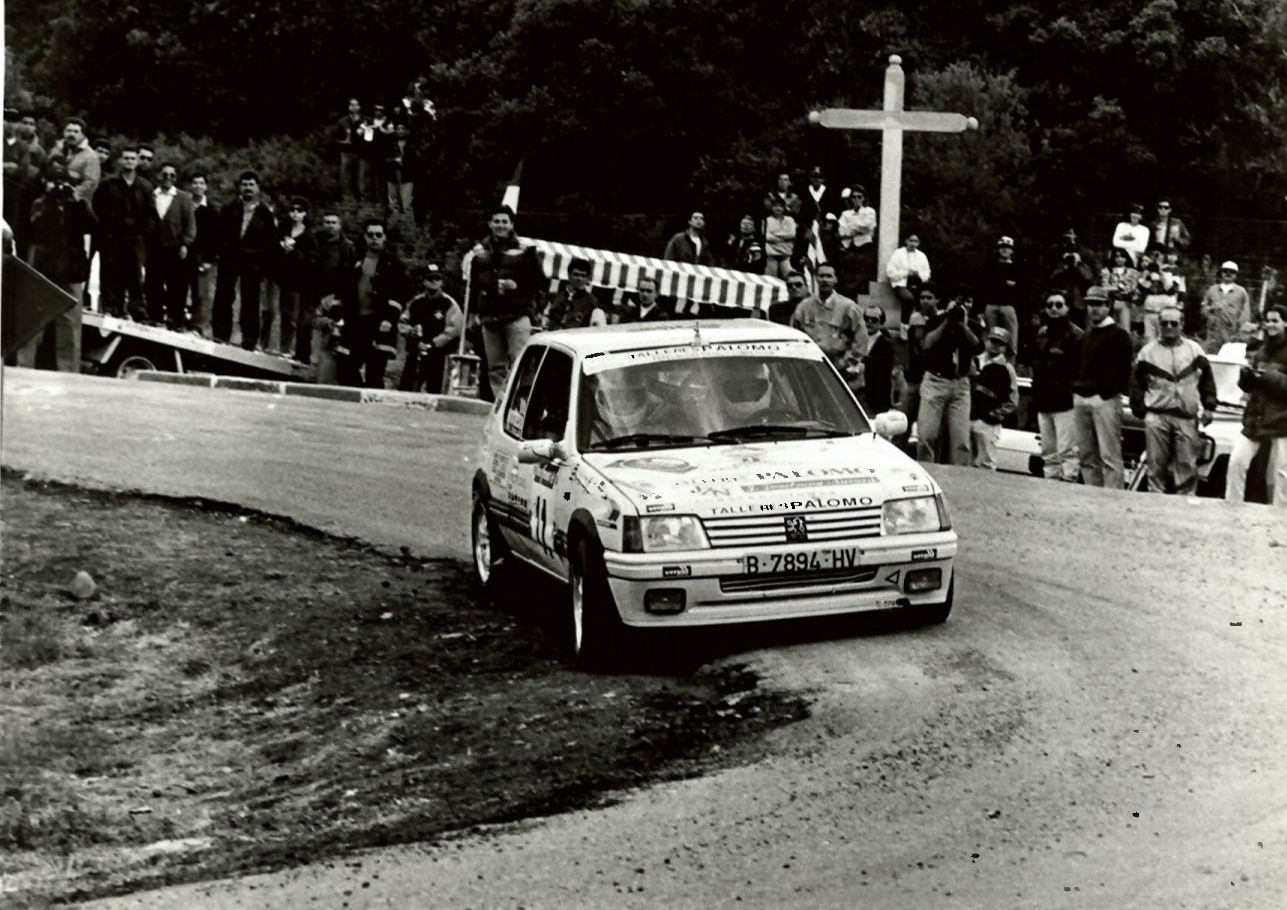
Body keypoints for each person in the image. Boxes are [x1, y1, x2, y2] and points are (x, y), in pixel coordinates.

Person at [1129, 306, 1217, 494]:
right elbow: (1135, 383)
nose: (1169, 327)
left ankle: (1183, 506)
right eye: (1164, 323)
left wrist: (1209, 406)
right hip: (1157, 415)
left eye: (1174, 323)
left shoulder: (1195, 351)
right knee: (1155, 465)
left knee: (1186, 465)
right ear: (1159, 325)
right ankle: (1155, 503)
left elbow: (1207, 380)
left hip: (1186, 417)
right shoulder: (1147, 352)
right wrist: (1140, 409)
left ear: (1182, 325)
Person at [17, 162, 90, 372]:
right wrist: (50, 200)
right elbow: (33, 228)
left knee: (70, 324)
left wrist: (77, 202)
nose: (59, 187)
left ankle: (69, 370)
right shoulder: (39, 203)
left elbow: (92, 225)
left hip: (70, 269)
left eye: (63, 182)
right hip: (43, 266)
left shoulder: (75, 205)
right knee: (33, 319)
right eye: (54, 182)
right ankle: (24, 366)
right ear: (45, 182)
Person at [467, 205, 547, 394]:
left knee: (521, 364)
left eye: (504, 221)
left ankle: (521, 407)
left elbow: (541, 282)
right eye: (496, 221)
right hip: (490, 318)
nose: (500, 225)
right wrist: (473, 313)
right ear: (490, 224)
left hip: (517, 316)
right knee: (495, 368)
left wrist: (518, 285)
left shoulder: (525, 250)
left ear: (511, 225)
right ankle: (500, 407)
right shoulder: (479, 253)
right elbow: (474, 286)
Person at [1071, 286, 1135, 488]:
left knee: (1109, 456)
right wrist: (1077, 391)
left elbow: (1122, 372)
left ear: (1108, 306)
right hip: (1081, 399)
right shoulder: (1085, 336)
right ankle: (1092, 497)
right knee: (1086, 456)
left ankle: (1112, 501)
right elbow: (1074, 367)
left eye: (1099, 304)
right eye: (1090, 304)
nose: (1094, 309)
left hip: (1105, 400)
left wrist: (1103, 394)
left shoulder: (1120, 335)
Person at [335, 218, 408, 388]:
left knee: (374, 371)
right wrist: (337, 316)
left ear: (384, 238)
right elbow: (343, 289)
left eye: (378, 235)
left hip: (380, 323)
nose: (374, 238)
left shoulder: (394, 265)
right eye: (370, 235)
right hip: (355, 321)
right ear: (365, 237)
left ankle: (372, 410)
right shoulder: (352, 260)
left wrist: (389, 319)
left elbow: (399, 295)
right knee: (346, 368)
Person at [1226, 305, 1287, 504]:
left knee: (1282, 473)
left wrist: (1271, 377)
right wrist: (1246, 377)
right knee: (1236, 462)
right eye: (1267, 320)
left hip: (1282, 420)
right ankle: (1231, 506)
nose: (1270, 324)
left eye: (1275, 320)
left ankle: (1281, 516)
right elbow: (1249, 388)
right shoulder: (1260, 350)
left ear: (1285, 323)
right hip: (1256, 417)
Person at [212, 170, 278, 349]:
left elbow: (270, 243)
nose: (247, 188)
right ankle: (220, 333)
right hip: (229, 258)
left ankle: (249, 339)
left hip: (253, 263)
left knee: (250, 300)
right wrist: (220, 252)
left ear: (258, 188)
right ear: (240, 187)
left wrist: (262, 266)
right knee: (224, 295)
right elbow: (218, 233)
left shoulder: (265, 214)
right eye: (244, 185)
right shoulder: (229, 208)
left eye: (251, 185)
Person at [915, 287, 982, 465]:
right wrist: (947, 321)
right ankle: (927, 469)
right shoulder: (936, 320)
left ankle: (960, 477)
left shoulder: (972, 325)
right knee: (927, 436)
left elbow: (978, 347)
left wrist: (963, 325)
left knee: (961, 440)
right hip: (935, 381)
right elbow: (927, 344)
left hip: (960, 384)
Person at [92, 146, 154, 320]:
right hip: (112, 236)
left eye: (132, 158)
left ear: (137, 161)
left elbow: (150, 213)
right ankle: (112, 307)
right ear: (121, 160)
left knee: (134, 274)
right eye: (126, 158)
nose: (129, 161)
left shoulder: (145, 186)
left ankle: (137, 311)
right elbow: (98, 207)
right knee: (110, 272)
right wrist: (104, 230)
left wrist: (143, 233)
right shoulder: (108, 183)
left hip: (134, 237)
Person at [1031, 291, 1084, 482]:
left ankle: (1069, 483)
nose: (1054, 308)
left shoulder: (1077, 336)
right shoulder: (1042, 334)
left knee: (1068, 450)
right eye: (1050, 305)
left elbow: (1079, 372)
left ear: (1067, 307)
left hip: (1065, 404)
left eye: (1059, 305)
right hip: (1044, 402)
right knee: (1048, 451)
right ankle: (1050, 485)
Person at [789, 263, 867, 377]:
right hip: (809, 367)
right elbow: (793, 336)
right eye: (821, 276)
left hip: (838, 368)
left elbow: (861, 339)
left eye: (829, 276)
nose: (824, 280)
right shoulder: (804, 307)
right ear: (815, 278)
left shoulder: (849, 307)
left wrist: (845, 363)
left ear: (836, 279)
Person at [144, 162, 196, 329]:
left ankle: (175, 319)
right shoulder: (152, 195)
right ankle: (154, 316)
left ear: (176, 178)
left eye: (171, 175)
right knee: (153, 283)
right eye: (164, 174)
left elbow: (190, 224)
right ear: (159, 176)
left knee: (176, 286)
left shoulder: (183, 198)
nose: (167, 178)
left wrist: (185, 244)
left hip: (174, 247)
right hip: (154, 247)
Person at [399, 263, 462, 394]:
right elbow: (403, 322)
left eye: (437, 279)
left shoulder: (449, 303)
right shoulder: (416, 302)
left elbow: (454, 328)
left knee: (435, 390)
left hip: (438, 354)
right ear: (424, 281)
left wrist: (433, 344)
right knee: (406, 388)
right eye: (430, 278)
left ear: (442, 282)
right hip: (415, 350)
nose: (433, 282)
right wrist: (411, 333)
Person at [313, 210, 356, 382]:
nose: (330, 226)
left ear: (340, 225)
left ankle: (332, 378)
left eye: (333, 222)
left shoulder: (347, 246)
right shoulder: (317, 243)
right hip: (316, 292)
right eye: (327, 222)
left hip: (337, 297)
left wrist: (340, 296)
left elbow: (350, 272)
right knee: (312, 326)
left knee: (333, 337)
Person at [969, 327, 1019, 470]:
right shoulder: (974, 361)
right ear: (986, 341)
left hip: (988, 424)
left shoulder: (1007, 369)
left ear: (1006, 347)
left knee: (986, 463)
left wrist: (993, 416)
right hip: (966, 418)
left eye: (1000, 343)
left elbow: (1013, 401)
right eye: (993, 341)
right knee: (963, 461)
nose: (995, 345)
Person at [274, 197, 317, 360]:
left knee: (299, 318)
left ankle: (297, 352)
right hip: (285, 279)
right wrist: (281, 247)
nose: (295, 214)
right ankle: (284, 349)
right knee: (285, 315)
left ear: (305, 214)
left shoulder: (309, 235)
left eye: (299, 210)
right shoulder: (282, 229)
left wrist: (294, 251)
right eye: (292, 210)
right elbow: (272, 249)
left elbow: (312, 259)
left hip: (302, 282)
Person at [979, 235, 1025, 362]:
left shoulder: (1017, 268)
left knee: (1011, 340)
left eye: (1008, 248)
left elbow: (1021, 289)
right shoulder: (990, 266)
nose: (1005, 250)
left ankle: (1010, 368)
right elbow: (983, 287)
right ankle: (987, 366)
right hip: (991, 305)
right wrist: (980, 310)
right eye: (1002, 247)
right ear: (998, 249)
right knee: (989, 338)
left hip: (1009, 306)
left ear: (1012, 251)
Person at [1047, 227, 1098, 329]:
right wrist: (1062, 266)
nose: (1069, 237)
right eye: (1066, 234)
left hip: (1079, 297)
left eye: (1071, 234)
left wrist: (1079, 264)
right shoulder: (1055, 252)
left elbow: (1091, 278)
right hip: (1061, 296)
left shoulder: (1087, 253)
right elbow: (1050, 277)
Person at [187, 174, 219, 336]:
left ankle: (198, 325)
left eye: (201, 183)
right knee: (180, 288)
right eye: (195, 182)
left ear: (206, 187)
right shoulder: (185, 204)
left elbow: (214, 238)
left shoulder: (211, 210)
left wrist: (208, 260)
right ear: (191, 186)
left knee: (199, 293)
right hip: (185, 252)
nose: (198, 186)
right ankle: (180, 320)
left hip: (201, 255)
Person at [886, 233, 931, 341]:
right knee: (908, 299)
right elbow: (890, 272)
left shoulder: (922, 256)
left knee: (927, 298)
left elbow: (927, 273)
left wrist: (918, 274)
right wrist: (906, 273)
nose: (913, 243)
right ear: (906, 241)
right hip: (901, 284)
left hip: (918, 284)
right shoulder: (898, 254)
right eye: (911, 240)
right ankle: (904, 327)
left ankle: (924, 326)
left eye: (916, 241)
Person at [834, 184, 877, 297]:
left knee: (860, 275)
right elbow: (842, 231)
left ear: (863, 198)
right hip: (849, 247)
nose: (856, 199)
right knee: (846, 275)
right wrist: (857, 230)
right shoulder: (846, 213)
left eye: (859, 197)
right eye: (854, 197)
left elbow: (867, 226)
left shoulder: (869, 211)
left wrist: (851, 227)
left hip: (864, 247)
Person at [1200, 260, 1251, 354]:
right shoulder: (1212, 289)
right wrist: (1209, 313)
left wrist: (1240, 326)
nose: (1228, 274)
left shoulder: (1241, 292)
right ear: (1221, 273)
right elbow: (1204, 306)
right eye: (1225, 271)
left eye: (1232, 272)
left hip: (1231, 331)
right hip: (1213, 331)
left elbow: (1246, 311)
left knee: (1228, 355)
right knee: (1211, 355)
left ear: (1236, 275)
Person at [545, 256, 605, 329]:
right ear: (569, 275)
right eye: (576, 274)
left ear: (587, 279)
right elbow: (546, 320)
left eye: (583, 276)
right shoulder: (555, 298)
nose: (579, 279)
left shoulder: (592, 303)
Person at [858, 304, 897, 415]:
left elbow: (884, 366)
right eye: (866, 319)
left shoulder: (886, 343)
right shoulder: (856, 337)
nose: (869, 322)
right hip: (857, 392)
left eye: (874, 320)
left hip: (876, 396)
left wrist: (863, 359)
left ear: (881, 323)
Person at [1101, 247, 1142, 335]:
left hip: (1125, 302)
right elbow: (1104, 286)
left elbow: (1132, 287)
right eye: (1117, 257)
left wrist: (1116, 288)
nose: (1119, 259)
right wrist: (1119, 288)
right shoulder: (1107, 271)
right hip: (1111, 302)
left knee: (1125, 329)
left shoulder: (1132, 272)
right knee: (1109, 328)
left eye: (1122, 257)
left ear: (1126, 258)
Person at [335, 98, 363, 200]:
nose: (354, 107)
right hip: (346, 154)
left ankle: (362, 202)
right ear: (348, 107)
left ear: (359, 107)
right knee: (346, 179)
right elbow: (335, 139)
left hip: (361, 154)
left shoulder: (365, 121)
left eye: (356, 105)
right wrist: (343, 142)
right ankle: (347, 202)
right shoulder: (343, 122)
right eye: (352, 105)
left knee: (360, 180)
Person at [762, 197, 796, 279]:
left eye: (780, 206)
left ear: (784, 208)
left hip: (786, 254)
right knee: (771, 279)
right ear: (772, 208)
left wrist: (774, 234)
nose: (778, 208)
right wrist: (785, 238)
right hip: (771, 255)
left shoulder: (790, 220)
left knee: (789, 277)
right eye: (775, 206)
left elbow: (792, 234)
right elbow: (767, 237)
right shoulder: (767, 220)